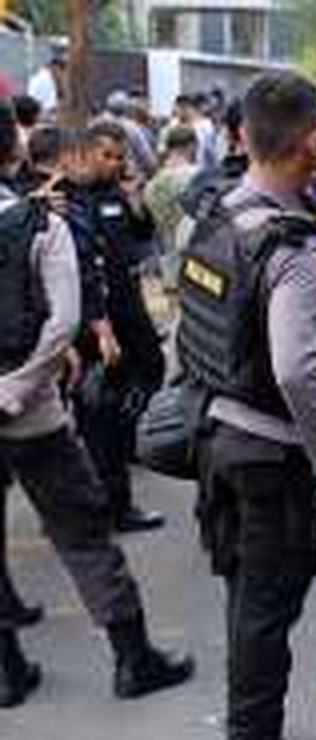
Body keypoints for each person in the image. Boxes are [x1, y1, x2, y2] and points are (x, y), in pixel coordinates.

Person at [181, 72, 316, 740]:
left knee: (245, 600)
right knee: (265, 610)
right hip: (269, 454)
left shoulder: (218, 213)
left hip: (217, 439)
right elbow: (296, 368)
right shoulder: (294, 247)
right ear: (308, 140)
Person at [0, 99, 194, 711]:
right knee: (84, 532)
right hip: (32, 414)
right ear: (13, 148)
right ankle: (133, 659)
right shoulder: (39, 225)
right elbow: (62, 322)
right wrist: (17, 387)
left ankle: (7, 671)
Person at [74, 121, 167, 533]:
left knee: (149, 371)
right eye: (106, 155)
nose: (114, 163)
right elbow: (85, 270)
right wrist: (100, 326)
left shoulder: (117, 194)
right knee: (100, 412)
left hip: (129, 309)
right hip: (99, 320)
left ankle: (124, 451)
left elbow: (142, 234)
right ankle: (113, 503)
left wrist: (136, 201)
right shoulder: (73, 201)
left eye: (119, 156)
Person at [144, 126, 201, 298]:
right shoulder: (200, 177)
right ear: (192, 146)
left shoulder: (153, 184)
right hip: (198, 265)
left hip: (168, 262)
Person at [26, 51, 62, 117]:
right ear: (54, 66)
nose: (61, 72)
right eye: (60, 67)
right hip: (43, 115)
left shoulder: (37, 77)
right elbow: (52, 106)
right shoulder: (48, 80)